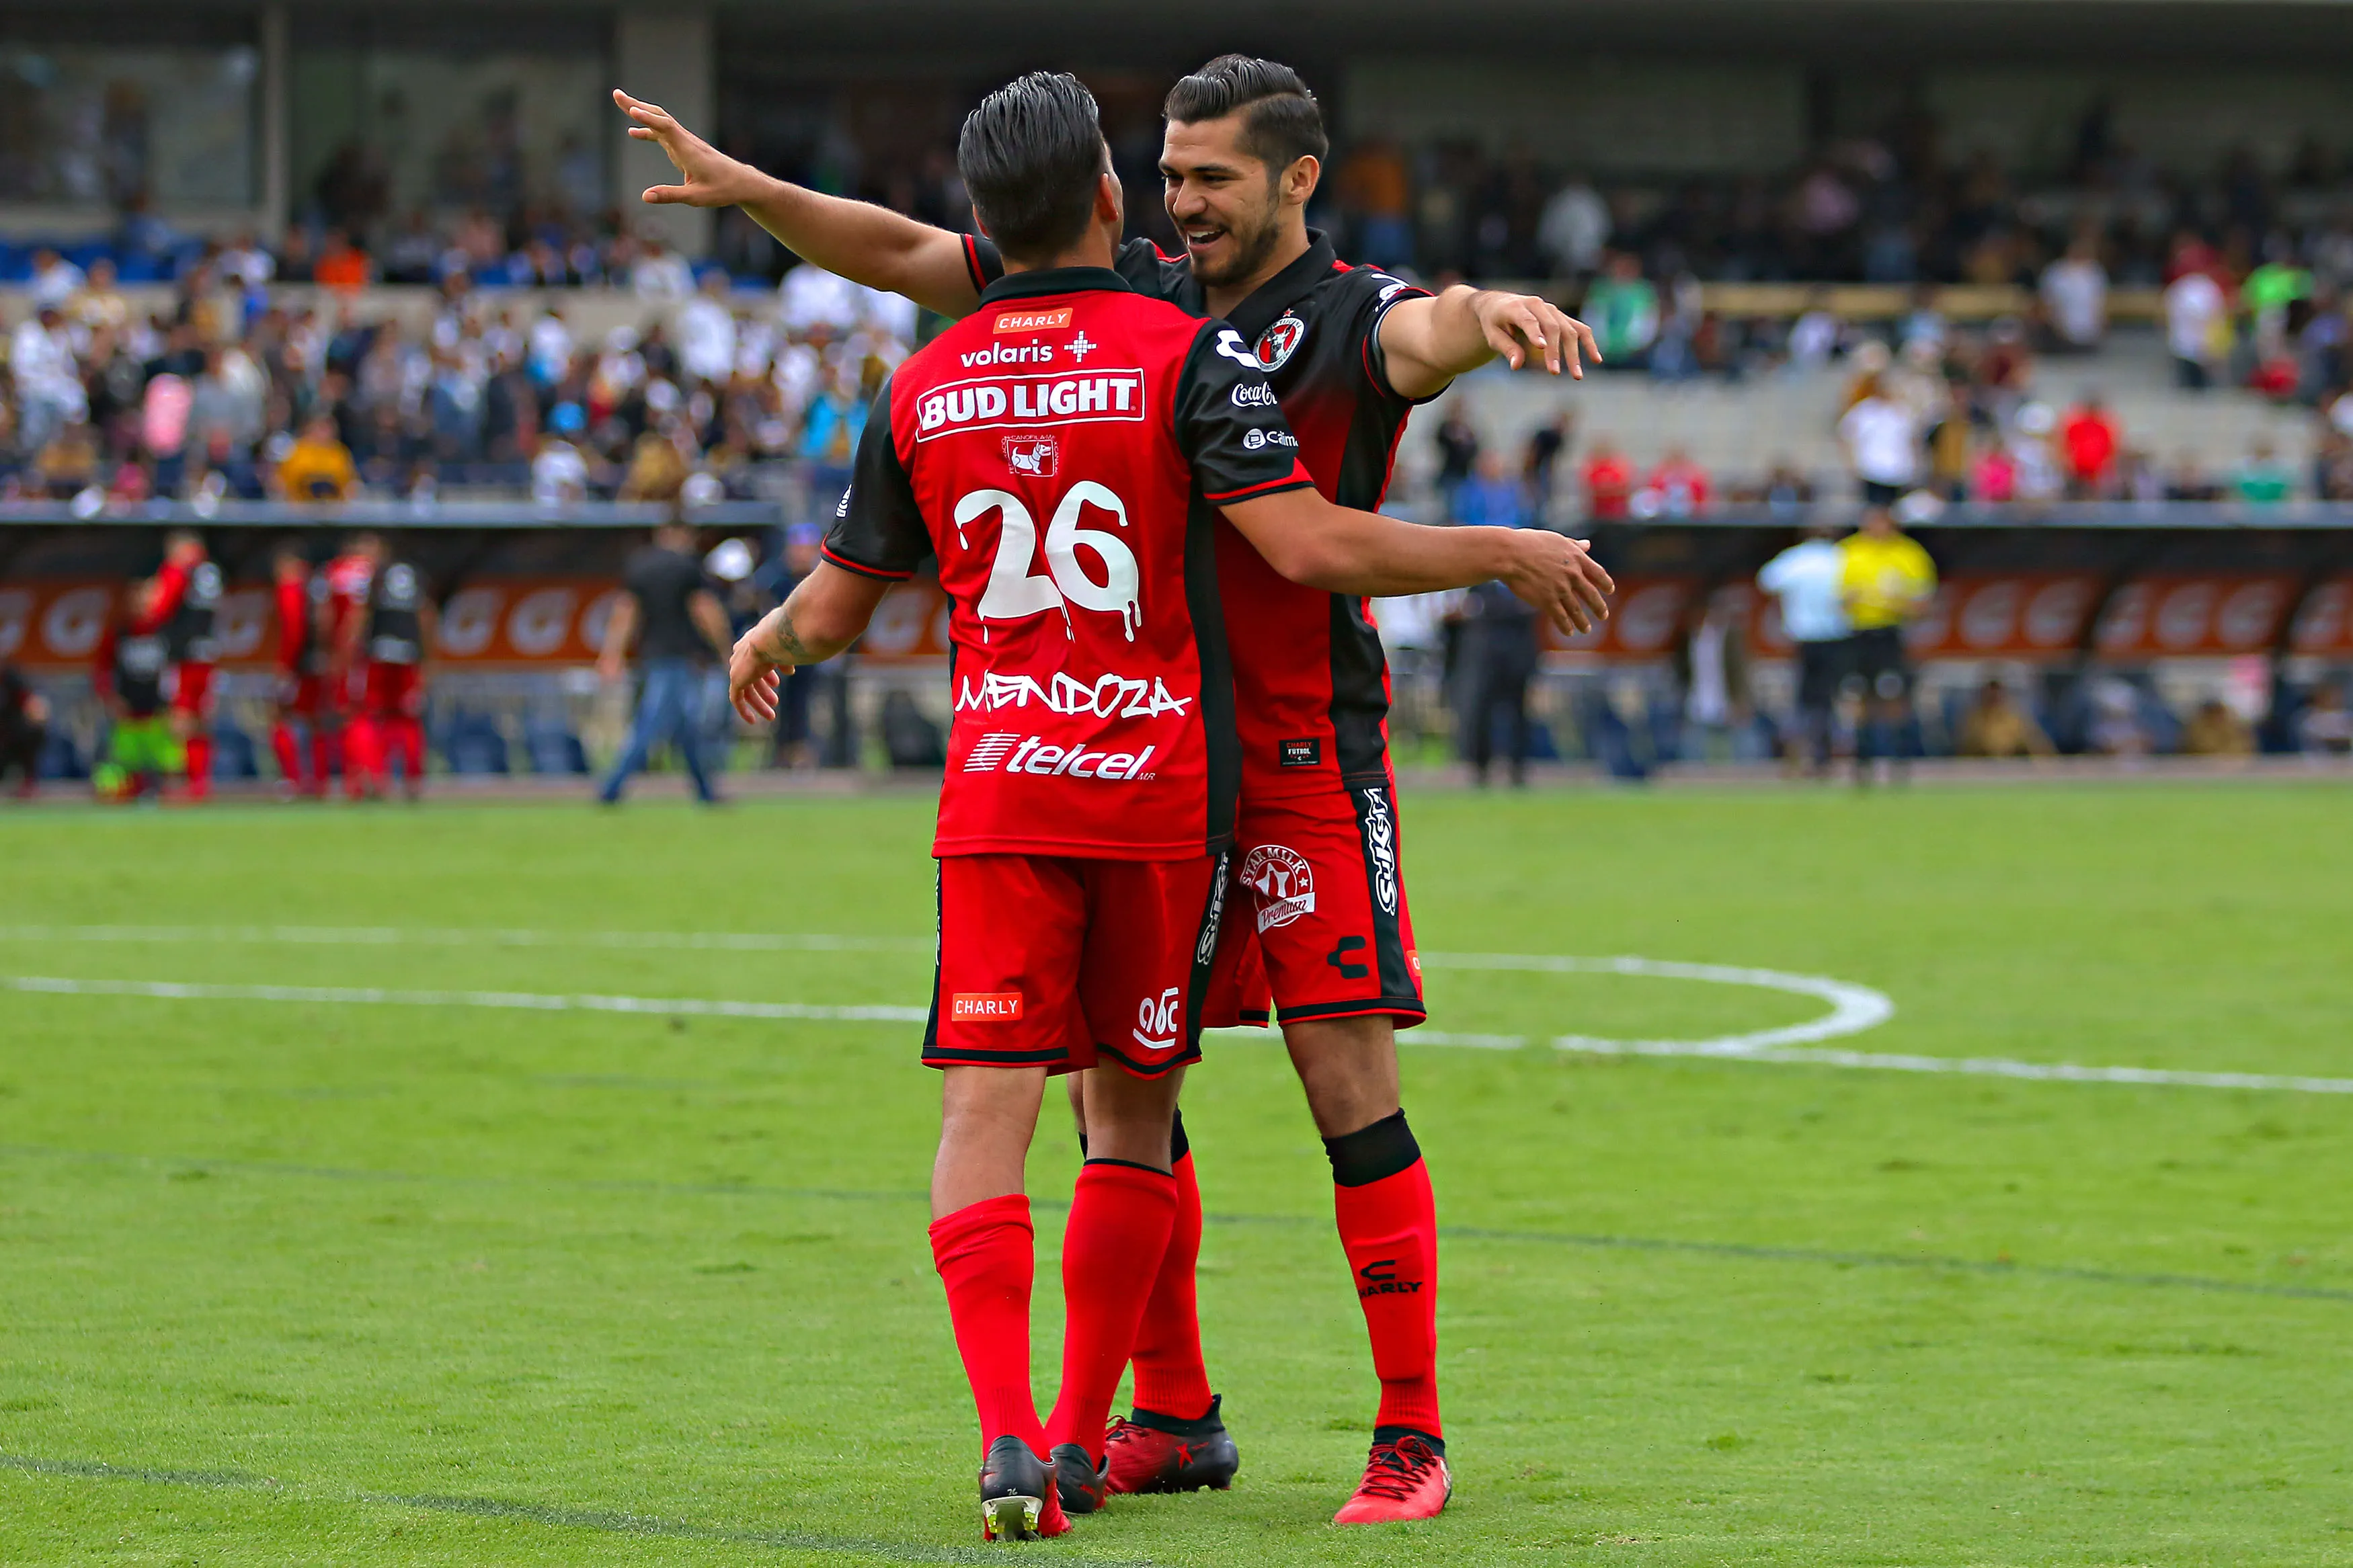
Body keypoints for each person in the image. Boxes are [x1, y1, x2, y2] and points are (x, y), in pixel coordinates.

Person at [616, 56, 1615, 1526]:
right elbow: (898, 251)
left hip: (1294, 754)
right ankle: (1171, 1411)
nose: (1182, 202)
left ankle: (1409, 1430)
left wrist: (1492, 316)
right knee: (1122, 1085)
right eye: (1166, 172)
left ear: (1296, 181)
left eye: (1212, 177)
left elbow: (1425, 330)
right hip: (1155, 762)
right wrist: (752, 193)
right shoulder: (1137, 289)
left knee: (1341, 1079)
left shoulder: (1342, 313)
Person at [597, 518, 732, 804]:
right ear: (682, 534)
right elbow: (705, 610)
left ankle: (705, 792)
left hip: (654, 655)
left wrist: (612, 654)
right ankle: (612, 787)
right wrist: (725, 649)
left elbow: (626, 614)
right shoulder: (687, 567)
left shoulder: (641, 565)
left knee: (686, 729)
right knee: (651, 723)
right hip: (680, 657)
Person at [1838, 505, 1937, 782]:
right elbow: (1836, 598)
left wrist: (1896, 603)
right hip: (1859, 632)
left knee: (1895, 695)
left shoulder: (1908, 554)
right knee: (1861, 696)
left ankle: (1899, 759)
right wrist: (1853, 601)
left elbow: (1923, 602)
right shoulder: (1849, 552)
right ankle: (1863, 761)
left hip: (1893, 631)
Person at [336, 534, 435, 800]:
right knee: (406, 718)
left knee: (368, 714)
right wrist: (424, 657)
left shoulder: (373, 575)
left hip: (379, 656)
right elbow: (426, 617)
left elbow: (358, 617)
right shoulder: (414, 575)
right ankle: (414, 781)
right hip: (409, 657)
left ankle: (375, 778)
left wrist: (347, 654)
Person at [1757, 524, 1851, 776]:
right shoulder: (1842, 557)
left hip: (1804, 637)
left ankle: (1798, 758)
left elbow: (1767, 581)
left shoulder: (1796, 557)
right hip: (1836, 635)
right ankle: (1825, 756)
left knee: (1803, 701)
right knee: (1830, 699)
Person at [149, 530, 223, 800]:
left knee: (178, 718)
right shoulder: (211, 572)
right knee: (201, 720)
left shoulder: (179, 570)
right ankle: (201, 783)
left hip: (182, 656)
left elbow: (158, 609)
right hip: (206, 654)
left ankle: (178, 782)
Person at [91, 579, 178, 802]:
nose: (143, 606)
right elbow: (103, 668)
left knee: (165, 760)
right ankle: (132, 795)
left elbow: (177, 669)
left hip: (159, 710)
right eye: (138, 601)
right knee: (127, 760)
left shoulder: (167, 633)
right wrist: (110, 697)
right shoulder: (120, 634)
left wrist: (178, 703)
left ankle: (164, 796)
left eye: (148, 600)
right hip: (128, 710)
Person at [270, 546, 333, 798]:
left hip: (299, 666)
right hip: (317, 661)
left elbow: (293, 629)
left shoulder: (291, 588)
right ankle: (319, 781)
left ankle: (293, 781)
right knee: (316, 722)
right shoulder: (317, 588)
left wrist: (285, 666)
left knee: (280, 719)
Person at [1838, 372, 1921, 507]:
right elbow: (1846, 436)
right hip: (1872, 471)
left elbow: (1914, 439)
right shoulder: (1865, 410)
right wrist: (1852, 465)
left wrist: (1915, 465)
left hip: (1900, 472)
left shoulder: (1904, 411)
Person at [1955, 678, 2053, 758]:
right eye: (1990, 696)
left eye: (1996, 695)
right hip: (1979, 770)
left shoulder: (2015, 718)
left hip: (2010, 769)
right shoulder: (1972, 719)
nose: (1993, 698)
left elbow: (2037, 744)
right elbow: (1965, 749)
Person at [278, 413, 359, 501]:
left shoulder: (340, 453)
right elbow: (280, 483)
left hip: (332, 509)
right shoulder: (295, 451)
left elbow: (350, 484)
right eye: (321, 428)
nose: (326, 432)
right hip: (300, 509)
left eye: (329, 428)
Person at [1, 664, 48, 798]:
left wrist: (36, 715)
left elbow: (35, 705)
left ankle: (28, 784)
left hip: (14, 735)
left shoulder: (12, 678)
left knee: (31, 734)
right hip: (5, 735)